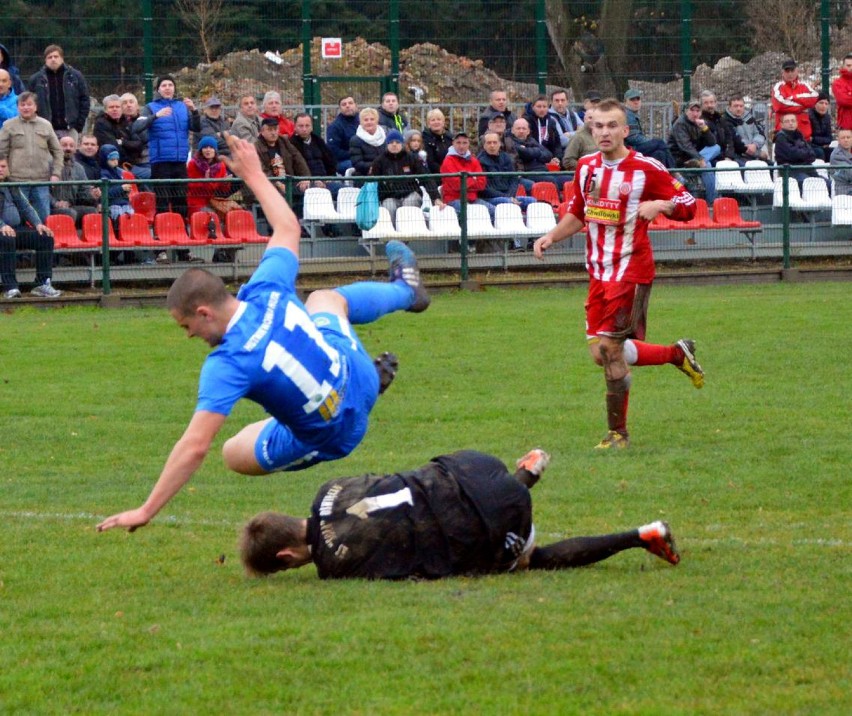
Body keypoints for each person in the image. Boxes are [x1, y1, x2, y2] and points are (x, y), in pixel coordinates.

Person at [96, 133, 432, 533]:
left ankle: (343, 406)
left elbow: (195, 445)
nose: (188, 336)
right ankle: (404, 291)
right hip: (354, 369)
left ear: (203, 312)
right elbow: (287, 226)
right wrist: (254, 174)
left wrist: (146, 509)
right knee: (326, 299)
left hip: (339, 429)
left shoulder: (227, 363)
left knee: (233, 452)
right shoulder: (265, 288)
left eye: (187, 326)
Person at [533, 99, 703, 449]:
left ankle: (618, 434)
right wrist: (552, 235)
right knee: (601, 354)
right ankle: (676, 354)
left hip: (631, 271)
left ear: (626, 131)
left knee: (610, 348)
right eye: (598, 126)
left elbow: (689, 204)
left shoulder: (646, 168)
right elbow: (579, 213)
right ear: (590, 129)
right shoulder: (585, 167)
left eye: (613, 126)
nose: (605, 132)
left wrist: (662, 205)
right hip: (598, 272)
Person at [238, 448, 681, 579]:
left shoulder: (334, 566)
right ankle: (520, 475)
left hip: (496, 520)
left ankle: (643, 535)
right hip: (469, 465)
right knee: (432, 489)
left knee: (528, 561)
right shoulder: (327, 488)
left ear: (286, 558)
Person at [133, 75, 201, 218]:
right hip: (160, 161)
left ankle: (181, 230)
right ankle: (162, 232)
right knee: (162, 199)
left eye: (170, 85)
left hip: (180, 160)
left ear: (174, 88)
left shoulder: (182, 107)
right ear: (158, 89)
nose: (168, 88)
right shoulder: (150, 107)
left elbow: (196, 127)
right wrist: (156, 116)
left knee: (181, 199)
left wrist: (194, 111)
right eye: (164, 85)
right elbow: (137, 127)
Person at [0, 158, 62, 299]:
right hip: (3, 232)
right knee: (7, 238)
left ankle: (42, 283)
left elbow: (25, 206)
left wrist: (38, 224)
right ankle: (10, 287)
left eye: (3, 166)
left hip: (15, 229)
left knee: (45, 237)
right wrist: (2, 225)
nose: (1, 169)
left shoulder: (12, 186)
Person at [0, 91, 63, 221]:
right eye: (22, 105)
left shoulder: (46, 125)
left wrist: (56, 173)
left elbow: (57, 151)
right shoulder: (8, 125)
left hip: (41, 182)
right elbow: (1, 152)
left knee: (43, 220)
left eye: (29, 104)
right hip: (16, 182)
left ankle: (42, 241)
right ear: (18, 107)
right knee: (16, 220)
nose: (26, 108)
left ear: (36, 107)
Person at [369, 129, 442, 223]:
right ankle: (392, 234)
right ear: (387, 144)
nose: (394, 144)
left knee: (410, 203)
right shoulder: (379, 161)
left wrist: (436, 198)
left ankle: (409, 233)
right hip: (389, 196)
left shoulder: (412, 158)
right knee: (388, 206)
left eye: (397, 142)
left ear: (402, 144)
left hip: (410, 193)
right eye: (391, 142)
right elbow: (372, 182)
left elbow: (426, 178)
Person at [27, 44, 90, 142]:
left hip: (70, 129)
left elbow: (85, 100)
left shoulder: (75, 76)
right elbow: (30, 103)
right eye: (49, 57)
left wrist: (78, 125)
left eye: (56, 56)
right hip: (44, 129)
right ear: (45, 60)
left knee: (70, 157)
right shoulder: (36, 79)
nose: (53, 59)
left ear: (62, 58)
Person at [667, 99, 719, 205]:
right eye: (692, 110)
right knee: (707, 165)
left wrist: (704, 128)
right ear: (686, 111)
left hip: (693, 156)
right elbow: (685, 146)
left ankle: (696, 162)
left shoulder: (699, 122)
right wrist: (700, 159)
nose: (695, 113)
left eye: (697, 111)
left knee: (717, 148)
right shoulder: (680, 124)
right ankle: (711, 202)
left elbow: (712, 142)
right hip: (679, 158)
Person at [440, 132, 493, 220]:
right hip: (453, 199)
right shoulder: (448, 161)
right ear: (453, 144)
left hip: (472, 199)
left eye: (464, 143)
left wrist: (465, 181)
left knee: (493, 211)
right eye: (458, 143)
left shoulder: (473, 160)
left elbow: (482, 184)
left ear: (468, 144)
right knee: (469, 213)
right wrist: (473, 179)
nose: (461, 146)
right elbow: (457, 185)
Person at [50, 134, 100, 226]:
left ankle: (89, 239)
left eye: (71, 146)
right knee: (70, 213)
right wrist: (55, 203)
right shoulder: (48, 165)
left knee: (92, 211)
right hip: (51, 207)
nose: (68, 148)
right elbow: (41, 191)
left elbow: (83, 191)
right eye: (64, 145)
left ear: (75, 148)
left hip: (71, 206)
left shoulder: (79, 168)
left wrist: (92, 195)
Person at [623, 89, 676, 168]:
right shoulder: (628, 115)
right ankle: (675, 171)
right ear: (625, 102)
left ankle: (664, 175)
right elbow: (633, 138)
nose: (636, 102)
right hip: (631, 149)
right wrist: (649, 141)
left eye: (638, 99)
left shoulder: (631, 114)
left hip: (633, 148)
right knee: (659, 142)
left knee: (660, 154)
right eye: (632, 99)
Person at [770, 58, 818, 142]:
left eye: (792, 70)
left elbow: (814, 98)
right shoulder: (777, 87)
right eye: (787, 71)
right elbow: (779, 105)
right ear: (783, 73)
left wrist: (792, 98)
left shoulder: (804, 85)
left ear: (797, 71)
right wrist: (803, 106)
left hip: (804, 135)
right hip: (784, 136)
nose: (790, 74)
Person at [290, 113, 338, 189]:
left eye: (307, 125)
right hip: (305, 183)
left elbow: (330, 161)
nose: (304, 129)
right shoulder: (290, 144)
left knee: (348, 191)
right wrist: (312, 180)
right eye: (301, 126)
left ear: (312, 127)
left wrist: (329, 177)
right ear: (295, 127)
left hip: (326, 181)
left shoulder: (319, 141)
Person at [773, 113, 819, 190]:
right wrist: (804, 153)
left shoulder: (799, 135)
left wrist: (801, 153)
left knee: (826, 183)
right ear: (781, 124)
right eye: (787, 121)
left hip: (807, 168)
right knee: (808, 184)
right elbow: (792, 154)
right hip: (791, 171)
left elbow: (812, 155)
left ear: (797, 123)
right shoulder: (781, 137)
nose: (791, 123)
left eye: (793, 121)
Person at [720, 95, 769, 164]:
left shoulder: (750, 117)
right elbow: (737, 142)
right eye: (735, 106)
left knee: (771, 165)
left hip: (755, 149)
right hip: (739, 155)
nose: (738, 109)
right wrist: (757, 152)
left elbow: (760, 133)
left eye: (741, 106)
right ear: (730, 108)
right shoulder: (725, 121)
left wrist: (755, 144)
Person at [119, 93, 151, 181]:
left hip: (147, 160)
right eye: (124, 103)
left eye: (131, 102)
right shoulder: (117, 124)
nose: (128, 105)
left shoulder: (145, 121)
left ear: (137, 106)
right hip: (128, 164)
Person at [99, 144, 134, 221]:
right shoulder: (103, 173)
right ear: (105, 159)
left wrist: (126, 192)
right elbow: (106, 192)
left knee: (131, 212)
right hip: (111, 204)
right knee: (117, 211)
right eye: (112, 160)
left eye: (116, 159)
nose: (115, 162)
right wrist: (121, 188)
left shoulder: (119, 172)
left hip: (123, 202)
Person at [325, 96, 359, 174]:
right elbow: (333, 151)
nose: (347, 106)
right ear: (340, 108)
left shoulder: (364, 121)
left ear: (356, 105)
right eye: (344, 104)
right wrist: (354, 154)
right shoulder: (335, 127)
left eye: (350, 103)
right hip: (343, 161)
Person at [523, 95, 562, 161]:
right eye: (539, 106)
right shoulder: (526, 121)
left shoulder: (551, 122)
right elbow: (529, 142)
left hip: (550, 157)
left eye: (544, 107)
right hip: (535, 157)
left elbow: (557, 143)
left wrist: (557, 157)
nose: (542, 109)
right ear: (533, 107)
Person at [349, 108, 386, 176]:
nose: (369, 122)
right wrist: (377, 166)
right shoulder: (355, 140)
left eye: (372, 119)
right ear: (361, 122)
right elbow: (357, 164)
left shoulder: (385, 136)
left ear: (377, 121)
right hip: (365, 175)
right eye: (366, 120)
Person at [421, 108, 452, 174]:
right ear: (428, 124)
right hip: (435, 176)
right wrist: (444, 172)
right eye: (433, 120)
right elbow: (430, 162)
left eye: (439, 119)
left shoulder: (450, 138)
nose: (436, 122)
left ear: (443, 122)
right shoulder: (425, 139)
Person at [808, 92, 833, 162]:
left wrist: (814, 139)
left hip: (822, 146)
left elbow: (830, 138)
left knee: (834, 152)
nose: (824, 106)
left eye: (826, 104)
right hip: (810, 147)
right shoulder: (808, 116)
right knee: (819, 152)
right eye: (821, 103)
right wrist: (822, 142)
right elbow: (809, 139)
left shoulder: (827, 118)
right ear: (814, 104)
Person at [831, 53, 852, 132]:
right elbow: (843, 100)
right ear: (843, 66)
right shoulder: (837, 83)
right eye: (848, 65)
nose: (851, 68)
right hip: (846, 126)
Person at [830, 128, 852, 195]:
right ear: (838, 140)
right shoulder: (837, 155)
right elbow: (850, 175)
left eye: (848, 137)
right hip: (845, 190)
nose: (846, 140)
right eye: (843, 138)